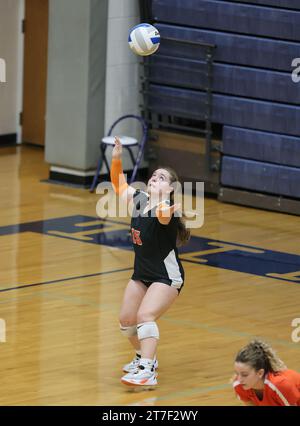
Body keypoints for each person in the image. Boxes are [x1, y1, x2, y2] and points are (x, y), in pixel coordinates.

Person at [110, 136, 190, 387]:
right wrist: (116, 157)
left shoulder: (165, 210)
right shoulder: (139, 200)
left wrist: (167, 208)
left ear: (170, 190)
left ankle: (147, 371)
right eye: (154, 175)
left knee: (145, 315)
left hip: (167, 278)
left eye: (162, 178)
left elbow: (164, 217)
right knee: (126, 320)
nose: (155, 178)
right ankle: (144, 357)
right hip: (142, 273)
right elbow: (118, 184)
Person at [233, 339, 300, 406]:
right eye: (237, 373)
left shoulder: (280, 385)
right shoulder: (239, 385)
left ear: (260, 373)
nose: (239, 379)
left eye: (244, 375)